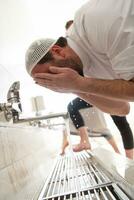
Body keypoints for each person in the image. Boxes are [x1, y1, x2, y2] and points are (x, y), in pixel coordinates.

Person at [25, 0, 134, 117]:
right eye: (47, 82)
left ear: (57, 51)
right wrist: (74, 88)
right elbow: (122, 108)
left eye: (51, 74)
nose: (54, 81)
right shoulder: (79, 70)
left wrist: (78, 84)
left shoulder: (93, 24)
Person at [61, 97, 134, 159]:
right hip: (99, 91)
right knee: (72, 106)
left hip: (111, 91)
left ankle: (129, 158)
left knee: (121, 124)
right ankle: (84, 141)